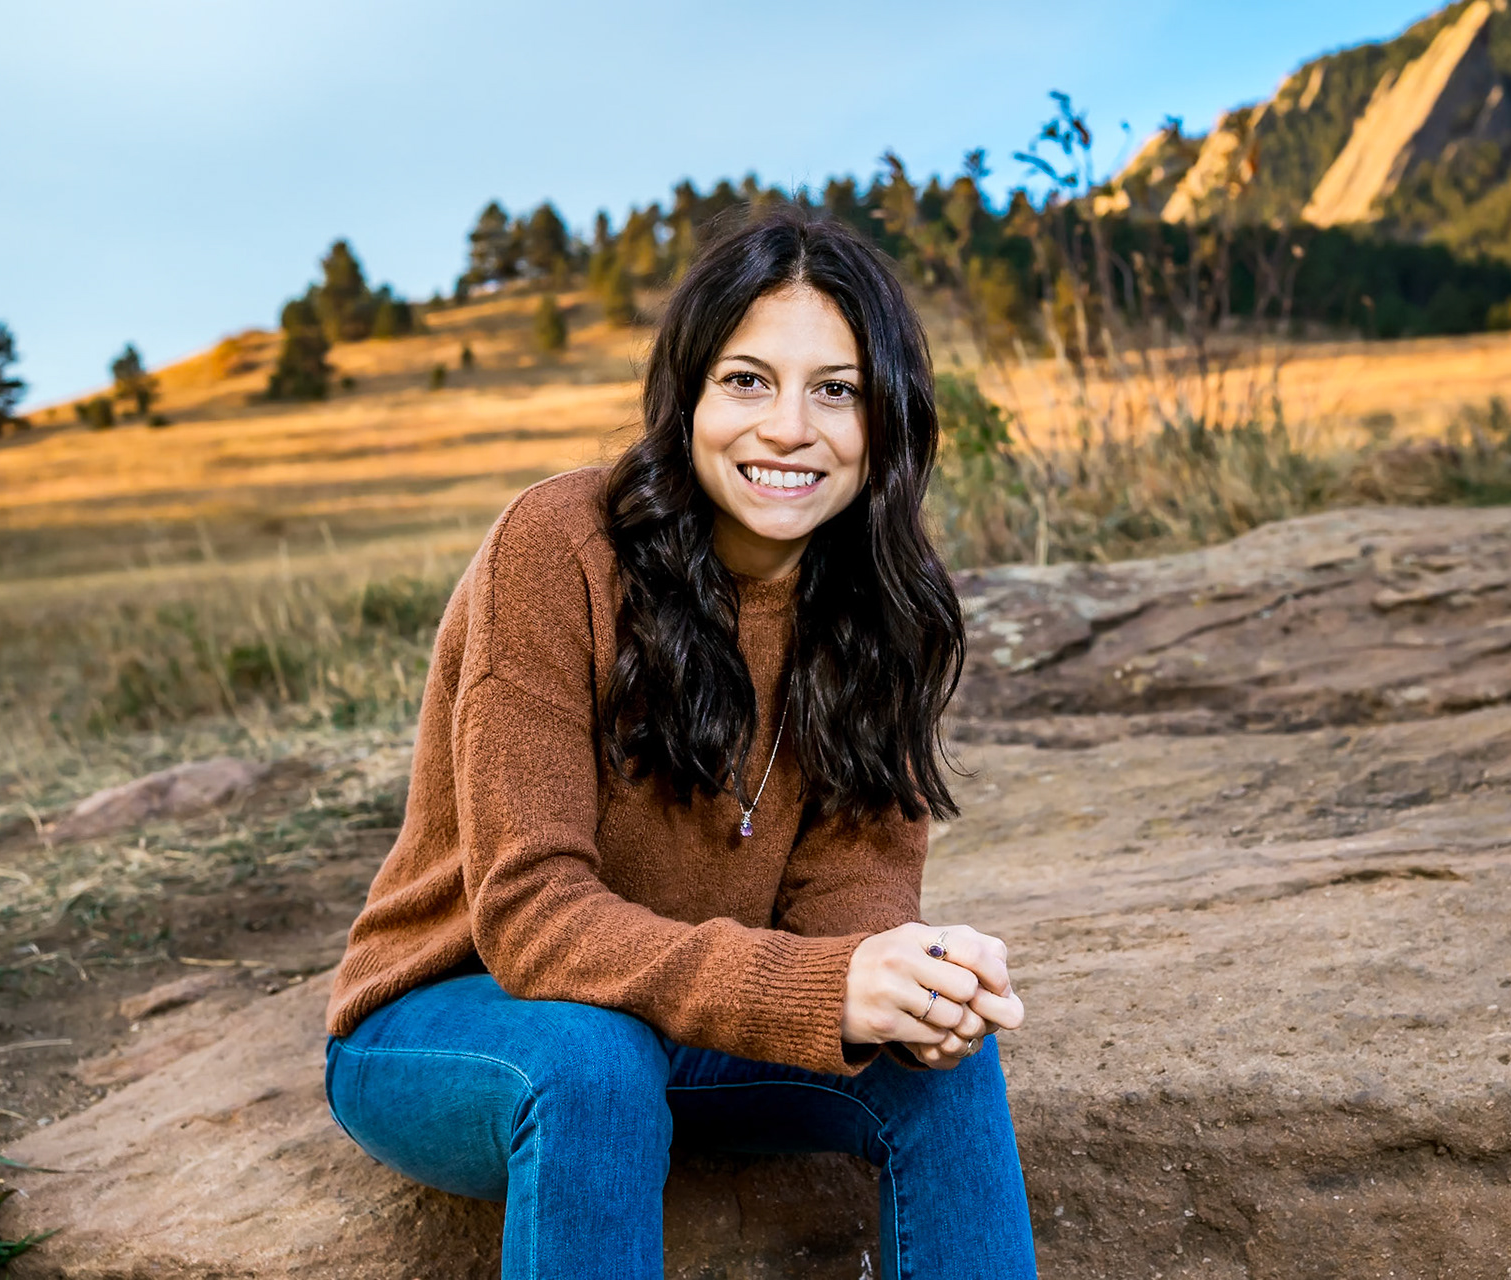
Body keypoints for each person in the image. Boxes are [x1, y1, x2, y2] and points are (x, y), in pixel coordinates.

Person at [323, 206, 1037, 1279]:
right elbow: (530, 918)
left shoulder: (882, 602)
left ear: (886, 416)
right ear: (687, 396)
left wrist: (909, 984)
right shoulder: (558, 548)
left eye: (835, 390)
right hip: (459, 1021)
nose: (788, 428)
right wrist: (814, 987)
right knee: (594, 1059)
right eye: (748, 381)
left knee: (939, 1063)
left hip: (686, 1026)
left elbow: (848, 905)